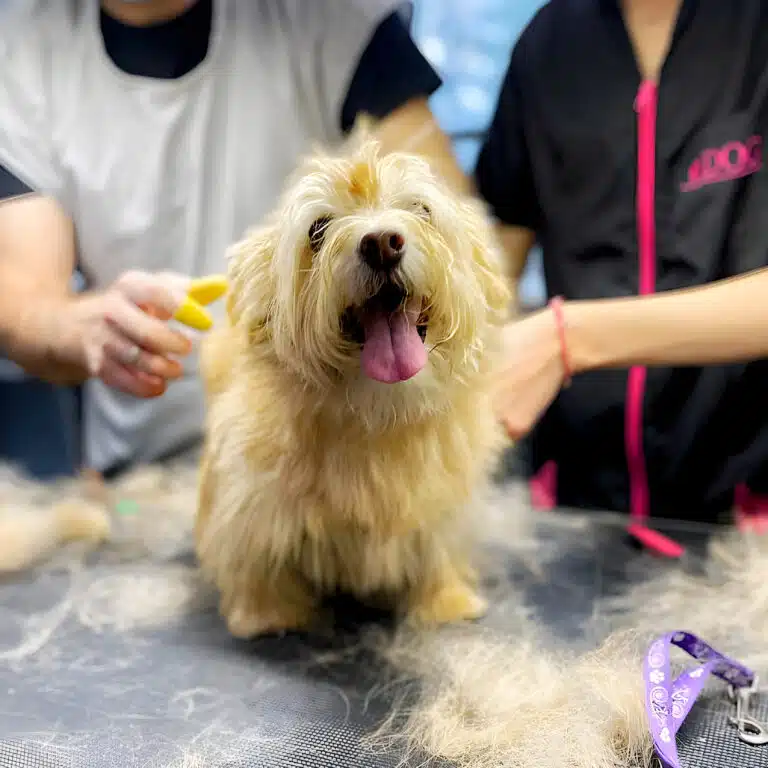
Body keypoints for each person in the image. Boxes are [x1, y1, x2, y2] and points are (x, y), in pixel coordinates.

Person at [0, 0, 465, 479]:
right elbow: (27, 300)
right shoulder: (20, 55)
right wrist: (84, 327)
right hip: (145, 466)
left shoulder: (335, 20)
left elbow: (448, 224)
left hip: (337, 459)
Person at [476, 0, 768, 528]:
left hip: (746, 519)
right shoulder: (547, 46)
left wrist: (567, 339)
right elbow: (494, 263)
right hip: (576, 512)